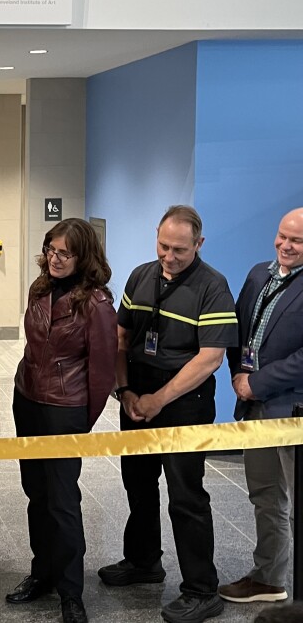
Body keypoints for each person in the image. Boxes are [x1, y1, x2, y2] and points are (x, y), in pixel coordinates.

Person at [98, 205, 237, 623]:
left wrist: (157, 399)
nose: (169, 256)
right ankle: (143, 562)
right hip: (135, 395)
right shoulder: (142, 274)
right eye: (163, 245)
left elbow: (210, 359)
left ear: (199, 244)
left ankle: (201, 589)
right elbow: (121, 337)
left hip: (183, 402)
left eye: (180, 249)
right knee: (137, 483)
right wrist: (124, 390)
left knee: (185, 495)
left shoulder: (214, 286)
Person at [6, 219, 117, 623]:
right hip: (28, 399)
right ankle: (43, 573)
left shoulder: (97, 303)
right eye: (51, 250)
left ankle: (72, 591)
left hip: (65, 408)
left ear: (82, 256)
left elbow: (103, 372)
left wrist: (80, 424)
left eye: (64, 253)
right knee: (36, 492)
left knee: (63, 500)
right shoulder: (40, 288)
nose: (54, 259)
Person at [218, 208, 303, 605]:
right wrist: (239, 377)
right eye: (282, 237)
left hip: (289, 410)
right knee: (267, 496)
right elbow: (238, 330)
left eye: (296, 241)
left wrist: (257, 383)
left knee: (280, 498)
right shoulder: (258, 274)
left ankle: (273, 577)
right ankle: (269, 577)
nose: (285, 246)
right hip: (253, 402)